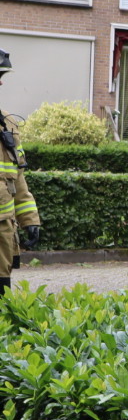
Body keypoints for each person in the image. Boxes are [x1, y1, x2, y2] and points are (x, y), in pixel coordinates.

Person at [0, 50, 42, 294]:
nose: (2, 82)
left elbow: (18, 178)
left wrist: (30, 220)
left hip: (3, 233)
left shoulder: (8, 123)